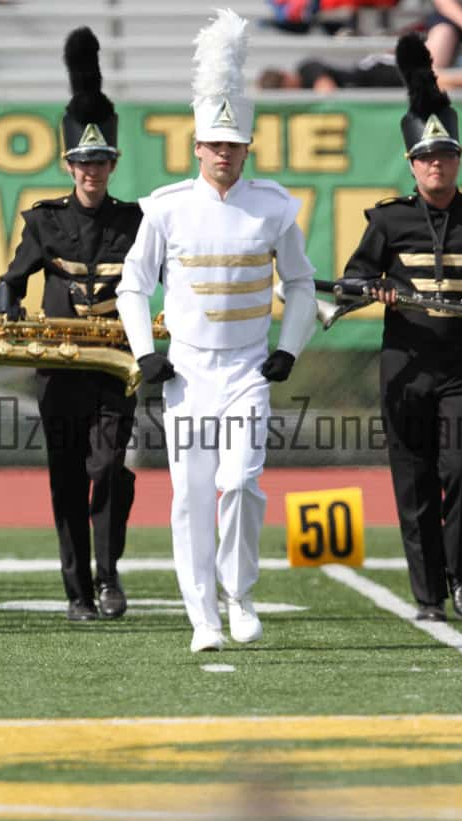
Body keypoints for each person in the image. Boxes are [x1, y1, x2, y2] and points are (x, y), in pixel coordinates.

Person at [116, 9, 316, 653]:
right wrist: (148, 353)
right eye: (214, 145)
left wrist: (290, 347)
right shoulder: (165, 207)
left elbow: (304, 284)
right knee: (190, 496)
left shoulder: (275, 205)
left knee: (242, 484)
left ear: (246, 151)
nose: (224, 155)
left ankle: (240, 594)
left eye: (234, 146)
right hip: (187, 372)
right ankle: (202, 616)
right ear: (197, 148)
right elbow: (132, 284)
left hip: (247, 370)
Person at [338, 33, 462, 622]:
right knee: (415, 478)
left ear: (459, 158)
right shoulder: (388, 220)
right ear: (412, 162)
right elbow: (354, 279)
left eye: (446, 154)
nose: (437, 163)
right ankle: (428, 594)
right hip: (405, 363)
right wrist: (367, 290)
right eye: (427, 157)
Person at [0, 28, 142, 622]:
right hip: (60, 367)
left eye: (100, 161)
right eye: (82, 161)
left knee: (109, 470)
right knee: (68, 478)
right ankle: (79, 592)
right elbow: (13, 276)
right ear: (69, 164)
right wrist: (8, 304)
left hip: (115, 365)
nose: (91, 170)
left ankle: (109, 573)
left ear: (112, 163)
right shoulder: (45, 222)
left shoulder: (137, 222)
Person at [257, 54, 462, 92]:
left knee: (440, 81)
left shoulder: (306, 69)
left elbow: (327, 90)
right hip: (375, 82)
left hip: (377, 73)